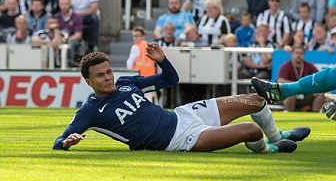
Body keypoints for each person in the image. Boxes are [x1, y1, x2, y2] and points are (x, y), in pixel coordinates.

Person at [53, 46, 311, 153]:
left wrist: (162, 60)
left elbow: (170, 80)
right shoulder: (90, 110)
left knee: (255, 100)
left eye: (109, 71)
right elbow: (58, 142)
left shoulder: (126, 83)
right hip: (179, 140)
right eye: (100, 75)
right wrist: (67, 142)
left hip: (183, 114)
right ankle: (270, 149)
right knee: (252, 130)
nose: (108, 78)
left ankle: (278, 137)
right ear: (89, 81)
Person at [278, 45, 325, 112]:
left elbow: (318, 79)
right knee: (289, 94)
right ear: (292, 54)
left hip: (306, 93)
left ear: (303, 55)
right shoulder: (285, 66)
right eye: (296, 53)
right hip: (292, 93)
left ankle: (314, 114)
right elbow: (280, 80)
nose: (298, 55)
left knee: (320, 94)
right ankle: (290, 113)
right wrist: (297, 85)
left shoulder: (309, 66)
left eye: (301, 53)